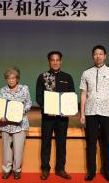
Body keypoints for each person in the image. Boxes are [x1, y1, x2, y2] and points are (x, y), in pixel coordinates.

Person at [80, 45, 109, 183]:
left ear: (105, 56)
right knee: (91, 142)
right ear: (92, 56)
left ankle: (107, 171)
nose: (98, 56)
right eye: (95, 54)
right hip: (91, 111)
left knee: (107, 142)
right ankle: (91, 172)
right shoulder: (86, 72)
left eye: (100, 54)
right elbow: (84, 93)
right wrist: (82, 113)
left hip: (107, 111)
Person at [36, 51, 75, 180]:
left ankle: (60, 169)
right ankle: (45, 169)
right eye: (52, 60)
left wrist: (68, 109)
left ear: (61, 61)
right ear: (49, 62)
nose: (55, 62)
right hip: (48, 117)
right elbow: (39, 97)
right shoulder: (43, 77)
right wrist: (47, 108)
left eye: (57, 60)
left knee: (61, 143)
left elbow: (71, 97)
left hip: (62, 118)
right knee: (46, 143)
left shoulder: (68, 77)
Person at [0, 67, 32, 180]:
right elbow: (0, 106)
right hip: (6, 124)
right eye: (8, 78)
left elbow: (29, 103)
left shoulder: (24, 88)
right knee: (6, 149)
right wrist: (0, 115)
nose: (11, 80)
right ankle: (7, 170)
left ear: (17, 79)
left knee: (18, 149)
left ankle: (16, 170)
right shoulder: (3, 90)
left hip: (20, 124)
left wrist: (24, 110)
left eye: (13, 78)